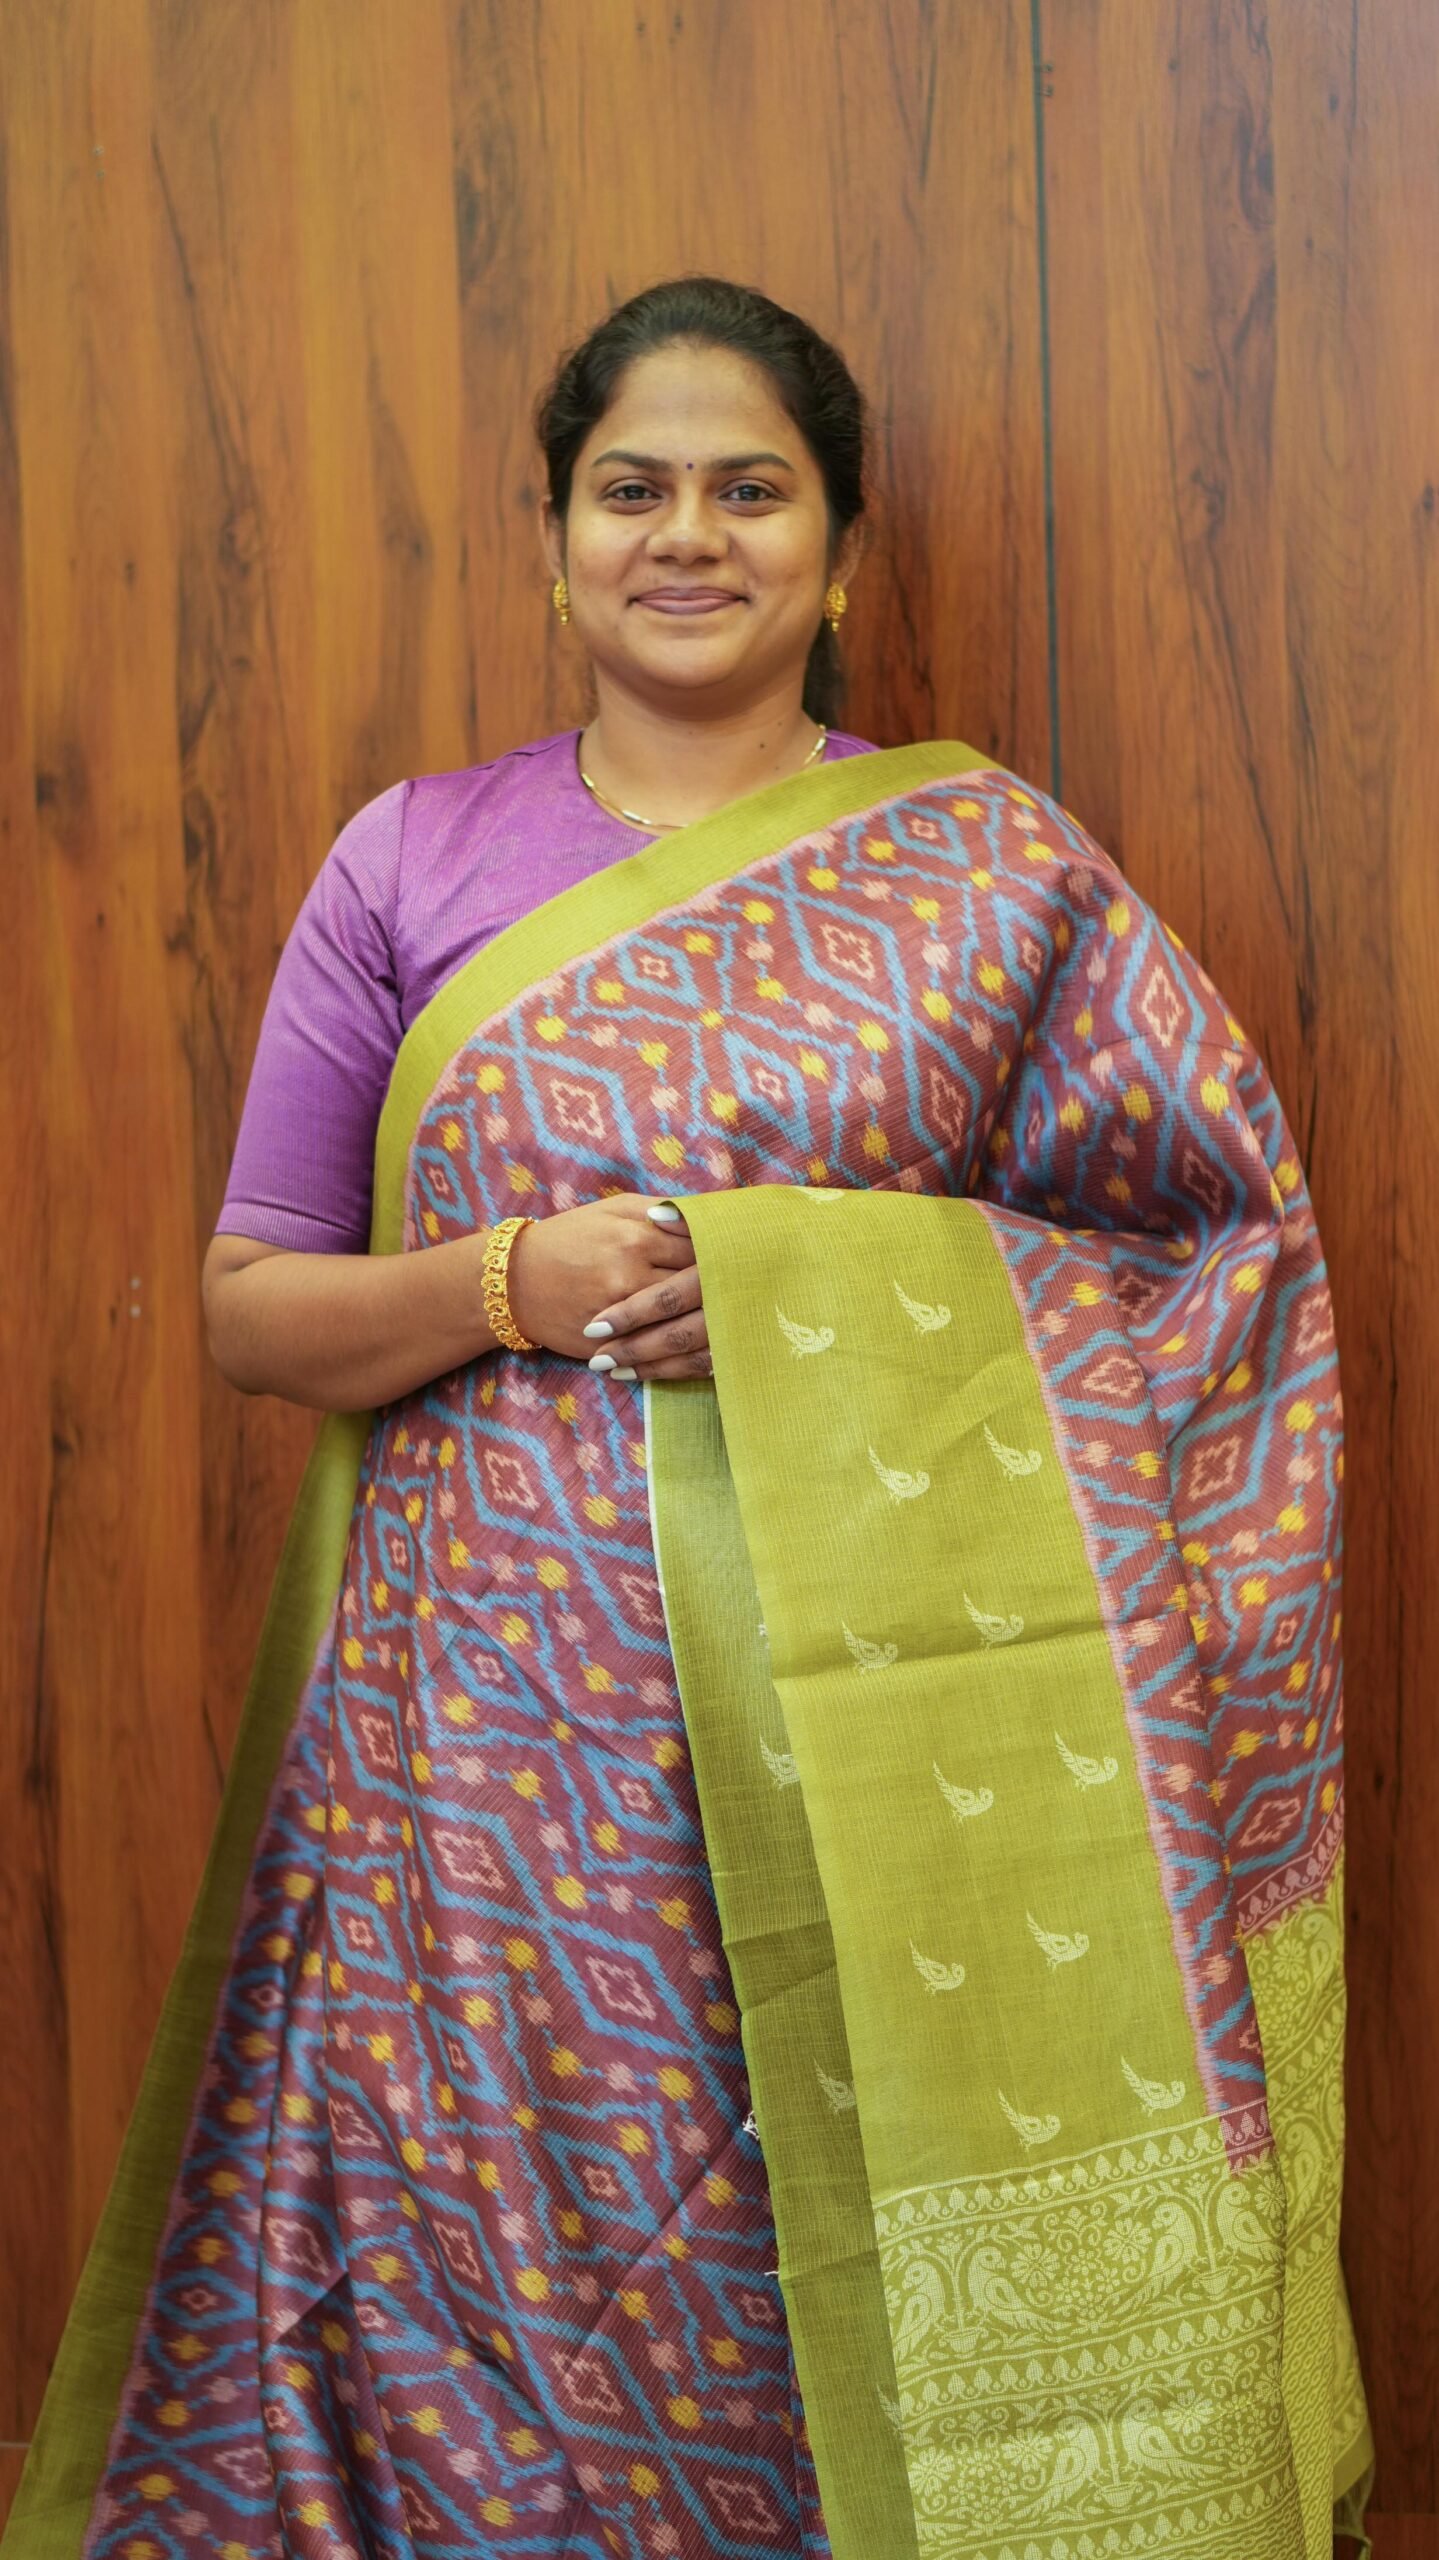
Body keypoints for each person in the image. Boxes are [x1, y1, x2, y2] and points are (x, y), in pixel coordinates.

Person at [4, 277, 1372, 2560]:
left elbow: (1202, 1258)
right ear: (554, 540)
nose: (690, 534)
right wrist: (508, 1282)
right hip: (472, 1758)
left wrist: (812, 1288)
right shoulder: (409, 863)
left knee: (793, 2251)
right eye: (632, 489)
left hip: (869, 1745)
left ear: (840, 553)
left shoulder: (993, 873)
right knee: (471, 2263)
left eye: (755, 490)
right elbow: (253, 1310)